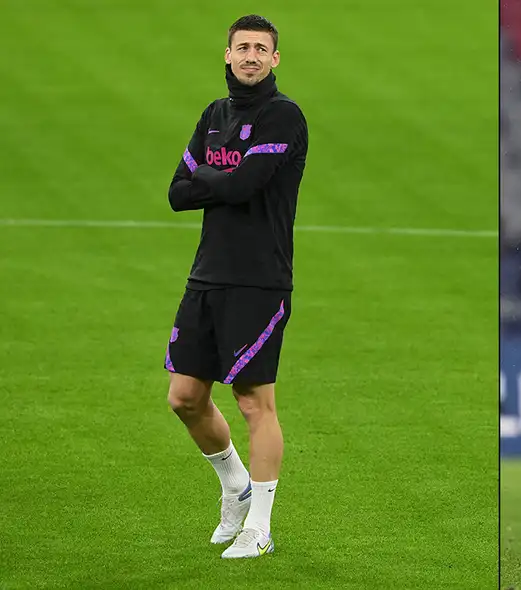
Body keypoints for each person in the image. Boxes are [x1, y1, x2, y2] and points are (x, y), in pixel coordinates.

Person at [164, 14, 309, 559]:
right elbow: (177, 193)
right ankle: (235, 486)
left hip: (260, 278)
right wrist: (218, 183)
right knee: (184, 397)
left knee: (253, 402)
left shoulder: (284, 116)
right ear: (227, 55)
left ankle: (260, 527)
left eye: (261, 49)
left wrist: (210, 179)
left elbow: (248, 182)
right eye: (242, 47)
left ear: (275, 60)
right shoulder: (213, 115)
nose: (250, 56)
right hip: (206, 274)